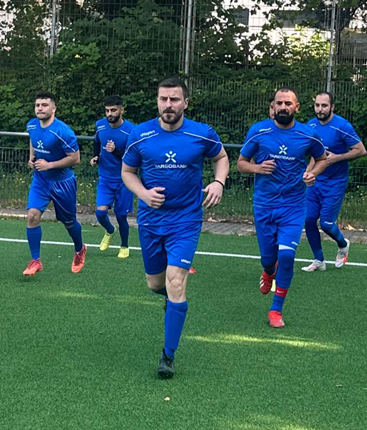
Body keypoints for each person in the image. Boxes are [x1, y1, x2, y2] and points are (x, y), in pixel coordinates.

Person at [122, 77, 229, 378]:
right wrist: (142, 193)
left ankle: (168, 355)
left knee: (176, 282)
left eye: (174, 99)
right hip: (150, 220)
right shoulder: (140, 134)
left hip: (186, 218)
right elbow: (127, 171)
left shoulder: (201, 133)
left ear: (185, 103)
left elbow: (221, 158)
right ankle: (170, 302)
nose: (168, 105)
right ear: (157, 101)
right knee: (155, 285)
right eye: (163, 99)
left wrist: (219, 181)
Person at [237, 87, 327, 329]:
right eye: (279, 103)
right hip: (264, 204)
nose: (283, 107)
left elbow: (322, 159)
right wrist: (257, 168)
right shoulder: (259, 131)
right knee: (269, 258)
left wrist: (312, 174)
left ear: (297, 107)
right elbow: (241, 163)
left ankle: (276, 309)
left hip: (294, 205)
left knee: (286, 256)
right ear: (273, 107)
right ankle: (267, 271)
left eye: (288, 103)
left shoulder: (308, 134)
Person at [23, 91, 86, 276]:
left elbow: (75, 158)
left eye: (44, 105)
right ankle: (35, 261)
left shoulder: (63, 131)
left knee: (68, 222)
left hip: (62, 182)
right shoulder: (32, 125)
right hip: (41, 179)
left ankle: (79, 249)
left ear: (53, 108)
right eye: (37, 105)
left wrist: (50, 164)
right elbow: (33, 141)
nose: (40, 108)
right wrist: (32, 157)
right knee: (32, 216)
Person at [302, 92, 366, 272]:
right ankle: (318, 260)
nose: (320, 109)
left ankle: (342, 243)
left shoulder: (342, 126)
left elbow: (360, 150)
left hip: (335, 182)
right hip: (316, 181)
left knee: (327, 224)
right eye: (317, 105)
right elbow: (315, 155)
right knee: (308, 219)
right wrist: (308, 173)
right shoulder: (311, 125)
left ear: (332, 107)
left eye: (324, 106)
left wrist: (336, 158)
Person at [90, 95, 135, 258]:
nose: (110, 113)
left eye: (113, 110)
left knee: (121, 215)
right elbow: (97, 142)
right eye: (107, 110)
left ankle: (124, 246)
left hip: (124, 179)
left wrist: (115, 151)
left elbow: (133, 159)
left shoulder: (130, 130)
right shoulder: (100, 125)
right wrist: (96, 156)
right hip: (105, 177)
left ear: (121, 110)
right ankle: (110, 231)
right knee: (100, 213)